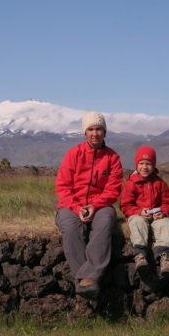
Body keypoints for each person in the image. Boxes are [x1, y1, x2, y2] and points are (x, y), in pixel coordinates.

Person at [55, 111, 123, 299]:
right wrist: (77, 208)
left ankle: (87, 278)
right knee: (70, 227)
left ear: (105, 132)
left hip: (101, 205)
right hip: (71, 205)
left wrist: (95, 205)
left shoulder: (113, 158)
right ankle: (87, 279)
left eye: (99, 129)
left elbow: (113, 189)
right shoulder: (73, 155)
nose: (95, 133)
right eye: (91, 129)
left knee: (106, 221)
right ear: (85, 133)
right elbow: (63, 187)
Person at [120, 145, 169, 277]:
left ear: (153, 165)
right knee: (137, 222)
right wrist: (138, 211)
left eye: (148, 164)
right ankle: (140, 255)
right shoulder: (131, 183)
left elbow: (168, 201)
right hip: (139, 215)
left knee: (166, 224)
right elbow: (125, 205)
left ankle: (165, 258)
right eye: (141, 163)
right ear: (136, 165)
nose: (144, 167)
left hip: (156, 217)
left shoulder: (159, 183)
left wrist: (163, 212)